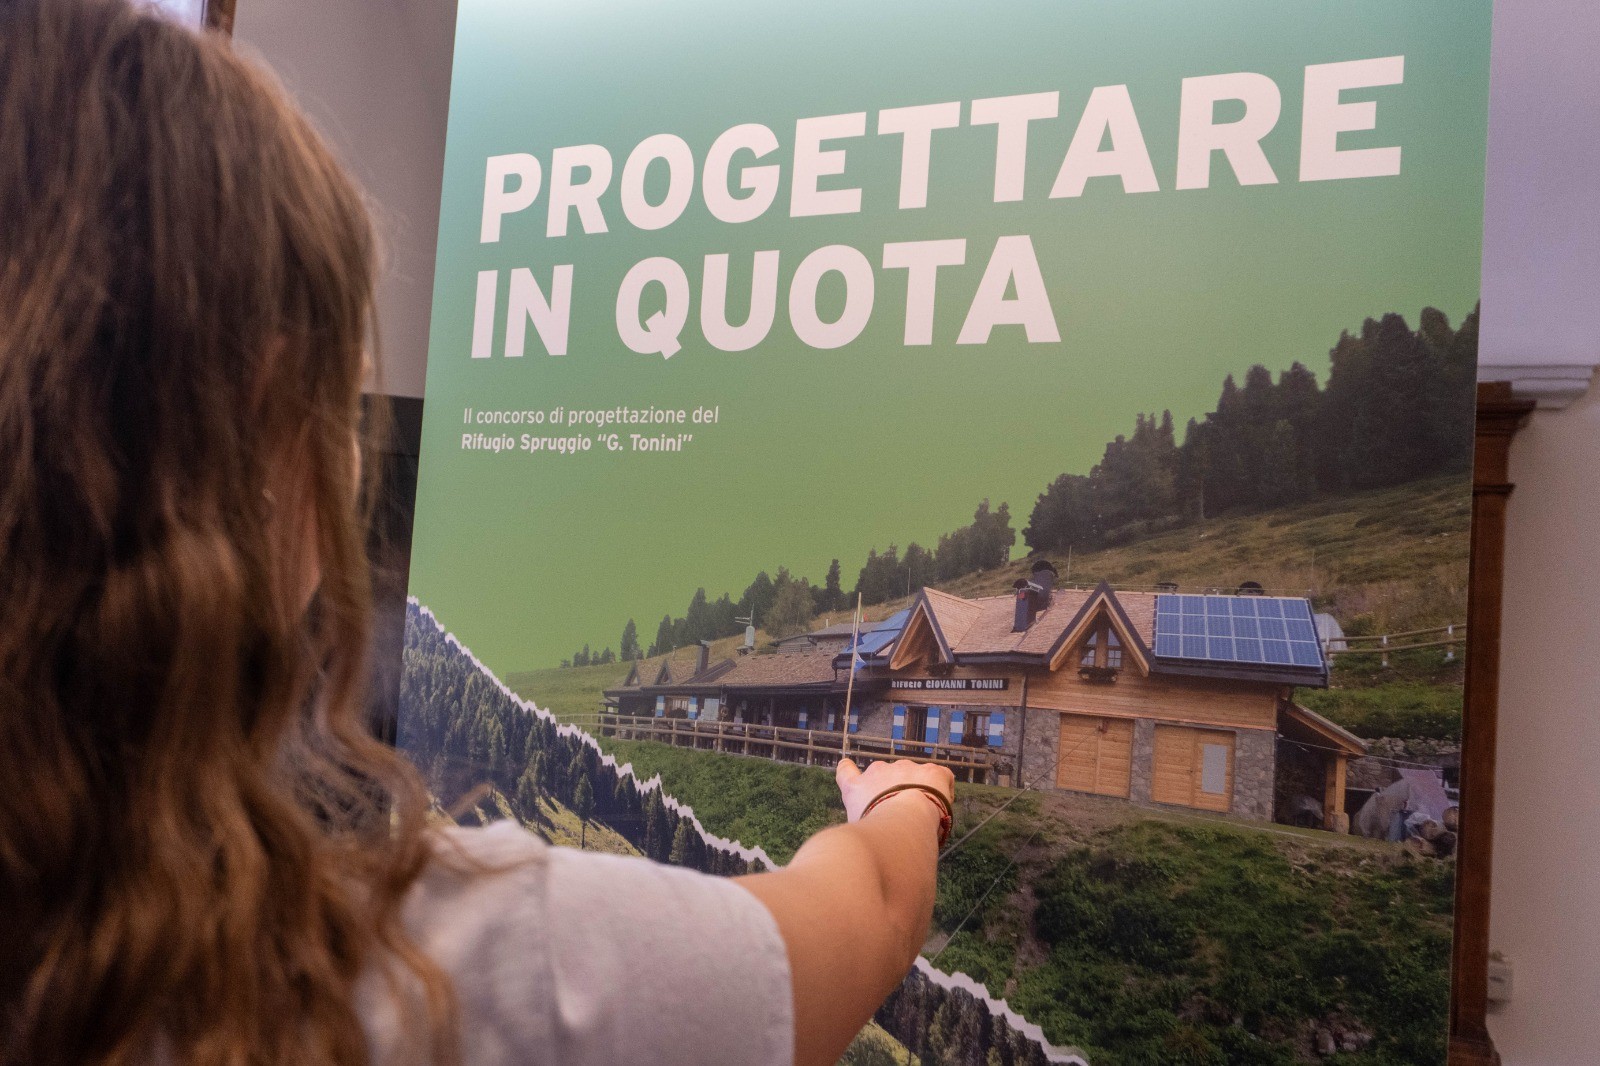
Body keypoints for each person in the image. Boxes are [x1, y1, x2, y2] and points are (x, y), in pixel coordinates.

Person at [0, 2, 954, 1065]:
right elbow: (867, 912)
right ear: (264, 417)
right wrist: (909, 796)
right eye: (342, 400)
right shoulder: (451, 969)